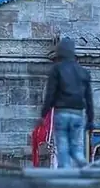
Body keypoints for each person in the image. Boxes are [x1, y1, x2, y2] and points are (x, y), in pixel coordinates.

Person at [40, 37, 93, 168]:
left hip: (62, 112)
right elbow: (89, 98)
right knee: (75, 147)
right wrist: (91, 119)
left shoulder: (56, 69)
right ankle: (83, 163)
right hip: (78, 113)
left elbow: (50, 93)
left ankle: (65, 175)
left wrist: (43, 114)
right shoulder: (83, 72)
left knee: (62, 145)